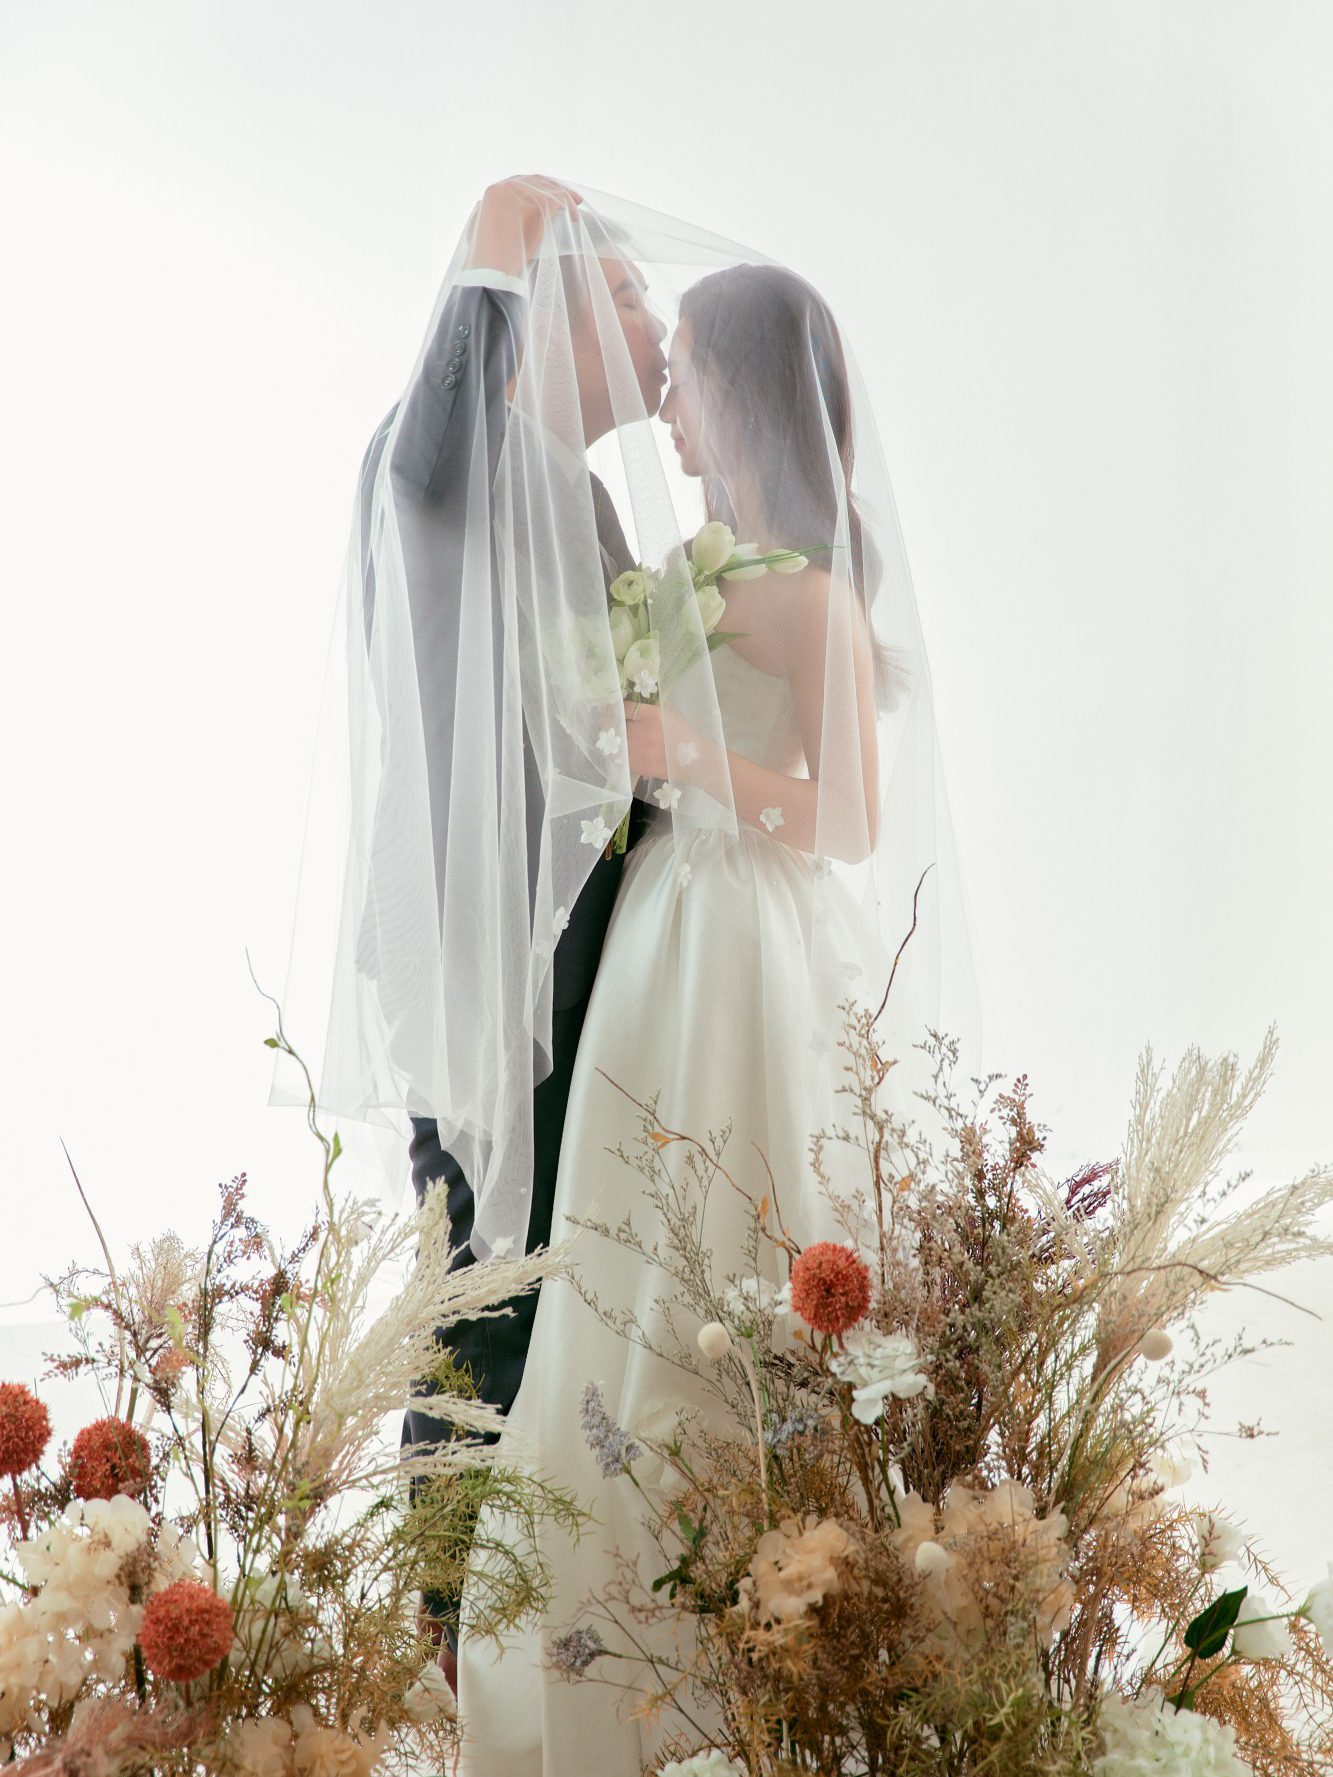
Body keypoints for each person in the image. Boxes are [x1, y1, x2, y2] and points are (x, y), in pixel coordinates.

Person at [271, 182, 979, 1767]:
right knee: (484, 1293)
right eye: (636, 303)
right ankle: (457, 1649)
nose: (659, 345)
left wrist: (685, 762)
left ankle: (637, 1620)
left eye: (678, 331)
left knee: (600, 1284)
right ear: (562, 312)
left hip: (641, 958)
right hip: (497, 958)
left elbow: (705, 764)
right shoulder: (450, 461)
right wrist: (489, 247)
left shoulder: (617, 523)